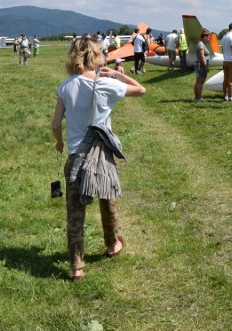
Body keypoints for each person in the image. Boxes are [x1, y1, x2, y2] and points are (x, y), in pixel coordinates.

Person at [51, 34, 145, 281]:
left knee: (75, 213)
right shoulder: (105, 84)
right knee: (107, 200)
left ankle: (76, 267)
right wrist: (117, 74)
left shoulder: (66, 85)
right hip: (101, 155)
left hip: (75, 156)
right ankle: (112, 243)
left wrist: (60, 142)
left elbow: (55, 123)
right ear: (95, 56)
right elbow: (141, 90)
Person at [193, 28, 211, 102]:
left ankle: (197, 97)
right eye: (208, 37)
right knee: (200, 82)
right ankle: (198, 98)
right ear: (205, 37)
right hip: (201, 65)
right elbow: (202, 56)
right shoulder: (201, 44)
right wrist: (206, 65)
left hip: (199, 64)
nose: (208, 39)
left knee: (198, 82)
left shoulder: (199, 43)